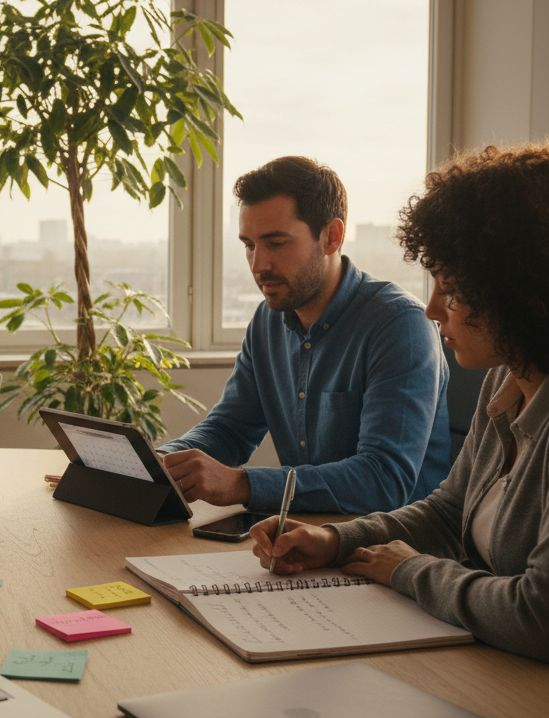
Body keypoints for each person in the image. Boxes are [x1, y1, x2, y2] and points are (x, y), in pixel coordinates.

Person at [250, 144, 549, 718]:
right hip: (513, 674)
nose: (432, 309)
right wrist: (337, 541)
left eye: (453, 288)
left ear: (523, 289)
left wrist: (407, 570)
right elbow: (449, 514)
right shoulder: (513, 370)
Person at [159, 156, 450, 514]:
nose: (258, 264)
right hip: (302, 537)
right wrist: (163, 461)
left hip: (392, 549)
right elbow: (230, 429)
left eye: (276, 243)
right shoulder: (268, 321)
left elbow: (383, 479)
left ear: (332, 236)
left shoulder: (399, 325)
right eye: (249, 245)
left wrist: (242, 484)